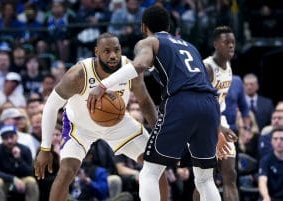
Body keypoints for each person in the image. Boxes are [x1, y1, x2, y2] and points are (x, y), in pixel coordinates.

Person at [88, 6, 223, 201]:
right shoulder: (190, 46)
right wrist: (217, 128)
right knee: (205, 179)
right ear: (169, 26)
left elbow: (140, 65)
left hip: (182, 101)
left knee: (149, 172)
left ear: (144, 27)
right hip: (210, 105)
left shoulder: (150, 41)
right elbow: (204, 84)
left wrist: (103, 85)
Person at [34, 32, 168, 201]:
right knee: (67, 171)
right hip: (79, 126)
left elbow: (144, 101)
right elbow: (51, 106)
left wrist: (159, 133)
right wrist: (45, 148)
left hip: (118, 123)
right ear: (97, 52)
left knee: (156, 164)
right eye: (107, 51)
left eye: (116, 50)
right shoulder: (78, 74)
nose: (113, 55)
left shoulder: (130, 69)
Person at [200, 26, 239, 201]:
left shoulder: (228, 65)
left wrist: (222, 125)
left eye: (233, 42)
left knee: (230, 175)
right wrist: (219, 129)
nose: (231, 46)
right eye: (226, 42)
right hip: (202, 124)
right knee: (204, 180)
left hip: (219, 120)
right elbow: (200, 105)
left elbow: (218, 103)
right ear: (215, 44)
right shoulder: (207, 68)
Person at [258, 126, 283, 201]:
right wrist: (266, 196)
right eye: (275, 139)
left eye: (282, 139)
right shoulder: (265, 160)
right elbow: (262, 180)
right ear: (271, 141)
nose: (278, 142)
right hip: (271, 198)